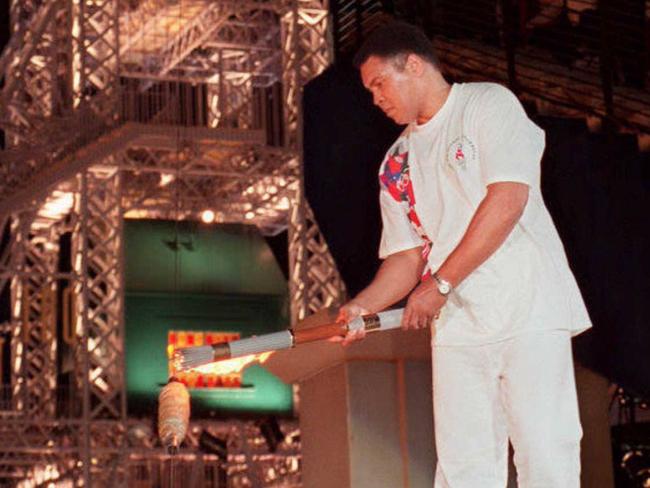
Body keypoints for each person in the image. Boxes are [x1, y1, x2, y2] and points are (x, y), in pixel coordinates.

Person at [334, 21, 592, 487]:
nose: (375, 99)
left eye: (379, 84)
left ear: (412, 64)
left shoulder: (487, 104)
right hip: (458, 325)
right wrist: (362, 306)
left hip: (527, 308)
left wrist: (442, 283)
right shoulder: (396, 161)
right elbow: (406, 256)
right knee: (463, 465)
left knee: (545, 451)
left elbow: (508, 199)